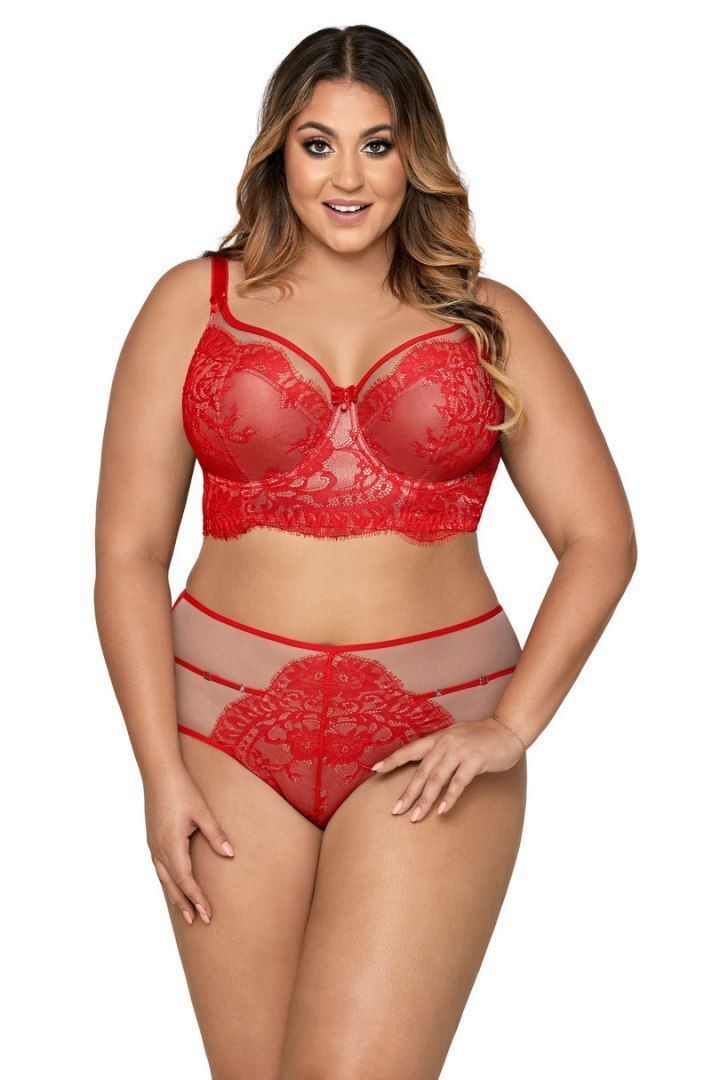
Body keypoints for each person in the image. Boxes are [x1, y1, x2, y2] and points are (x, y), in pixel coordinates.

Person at [94, 24, 637, 1080]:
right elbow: (127, 553)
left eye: (376, 145)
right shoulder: (191, 304)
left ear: (414, 157)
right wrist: (157, 771)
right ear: (279, 154)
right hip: (223, 737)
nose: (347, 177)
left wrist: (512, 728)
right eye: (319, 144)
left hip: (434, 742)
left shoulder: (488, 323)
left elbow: (600, 539)